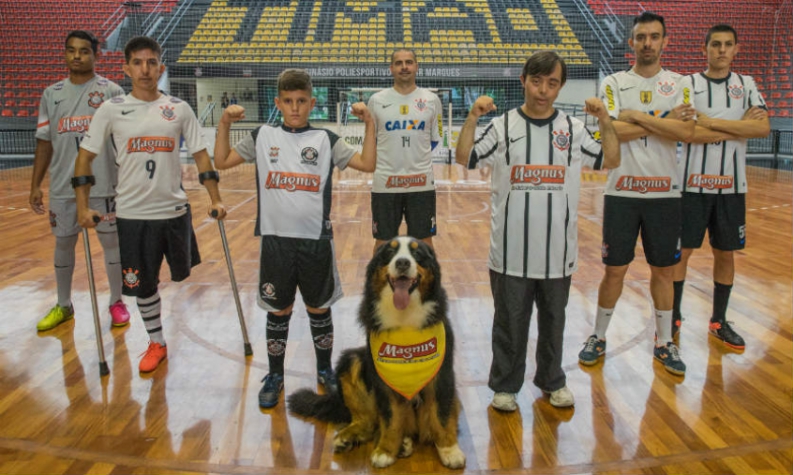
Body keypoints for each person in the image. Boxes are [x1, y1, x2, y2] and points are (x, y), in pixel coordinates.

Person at [456, 51, 620, 410]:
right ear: (523, 81)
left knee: (553, 324)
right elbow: (464, 157)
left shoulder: (574, 129)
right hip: (510, 252)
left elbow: (610, 159)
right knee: (509, 325)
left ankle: (552, 380)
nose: (543, 90)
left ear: (560, 87)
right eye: (536, 81)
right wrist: (471, 117)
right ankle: (505, 386)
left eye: (552, 83)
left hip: (558, 253)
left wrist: (605, 120)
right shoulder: (501, 126)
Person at [213, 69, 376, 409]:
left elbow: (368, 163)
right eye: (288, 101)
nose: (295, 108)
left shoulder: (326, 139)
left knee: (319, 308)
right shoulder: (262, 136)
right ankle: (275, 375)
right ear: (278, 103)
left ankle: (324, 370)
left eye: (302, 101)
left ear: (312, 102)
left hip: (315, 240)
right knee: (279, 310)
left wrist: (370, 124)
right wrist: (225, 124)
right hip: (275, 243)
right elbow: (222, 161)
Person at [74, 36, 226, 373]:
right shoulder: (111, 110)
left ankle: (157, 336)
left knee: (180, 276)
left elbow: (202, 156)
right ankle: (156, 342)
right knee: (143, 285)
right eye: (138, 63)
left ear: (161, 67)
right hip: (132, 215)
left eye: (151, 62)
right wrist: (83, 206)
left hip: (173, 213)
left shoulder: (179, 109)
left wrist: (215, 198)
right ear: (126, 68)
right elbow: (84, 159)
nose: (145, 69)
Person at [578, 12, 695, 376]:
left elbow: (686, 132)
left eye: (654, 37)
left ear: (665, 41)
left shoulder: (681, 82)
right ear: (631, 42)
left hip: (665, 196)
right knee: (614, 271)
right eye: (641, 37)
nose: (647, 43)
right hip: (622, 194)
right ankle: (598, 336)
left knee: (664, 271)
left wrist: (638, 117)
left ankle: (664, 342)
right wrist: (664, 118)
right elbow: (611, 132)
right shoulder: (614, 81)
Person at [673, 24, 770, 350]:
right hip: (691, 184)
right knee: (682, 252)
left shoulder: (747, 84)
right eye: (715, 44)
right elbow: (686, 130)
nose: (722, 50)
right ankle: (673, 317)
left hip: (732, 186)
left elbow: (762, 128)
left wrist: (710, 121)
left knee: (725, 252)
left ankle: (718, 320)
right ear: (705, 49)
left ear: (736, 49)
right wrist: (738, 126)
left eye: (728, 44)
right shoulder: (688, 84)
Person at [30, 30, 130, 332]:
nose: (77, 56)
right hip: (62, 185)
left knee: (112, 244)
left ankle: (116, 301)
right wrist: (35, 184)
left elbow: (123, 140)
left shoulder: (111, 91)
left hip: (103, 185)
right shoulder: (52, 94)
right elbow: (45, 142)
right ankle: (63, 304)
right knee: (63, 243)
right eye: (71, 50)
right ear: (64, 54)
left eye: (84, 51)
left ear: (96, 56)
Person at [367, 49, 444, 253]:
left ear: (416, 66)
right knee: (383, 241)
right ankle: (379, 284)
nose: (404, 67)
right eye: (399, 63)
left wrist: (416, 159)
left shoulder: (431, 100)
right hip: (385, 184)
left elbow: (436, 139)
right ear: (391, 68)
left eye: (409, 62)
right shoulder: (376, 100)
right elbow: (371, 141)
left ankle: (427, 285)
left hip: (421, 183)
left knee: (424, 241)